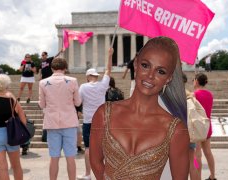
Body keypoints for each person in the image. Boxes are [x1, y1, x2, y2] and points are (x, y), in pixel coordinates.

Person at [90, 37, 189, 179]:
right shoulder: (103, 113)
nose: (150, 76)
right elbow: (96, 162)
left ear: (169, 78)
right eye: (145, 65)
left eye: (160, 71)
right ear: (136, 65)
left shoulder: (177, 129)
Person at [39, 57, 81, 180]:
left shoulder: (43, 82)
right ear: (65, 68)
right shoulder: (73, 80)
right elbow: (78, 103)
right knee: (70, 157)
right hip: (69, 122)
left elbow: (41, 105)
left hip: (52, 123)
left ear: (52, 68)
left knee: (54, 157)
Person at [78, 48, 113, 180]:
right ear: (97, 76)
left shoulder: (83, 87)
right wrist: (110, 55)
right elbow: (108, 70)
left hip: (88, 121)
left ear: (87, 77)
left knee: (88, 148)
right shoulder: (103, 85)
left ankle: (88, 174)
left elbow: (78, 102)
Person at [193, 73, 216, 180]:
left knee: (197, 155)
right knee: (208, 152)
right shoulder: (210, 94)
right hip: (207, 126)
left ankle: (198, 177)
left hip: (197, 127)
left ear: (196, 81)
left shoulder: (194, 95)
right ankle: (213, 175)